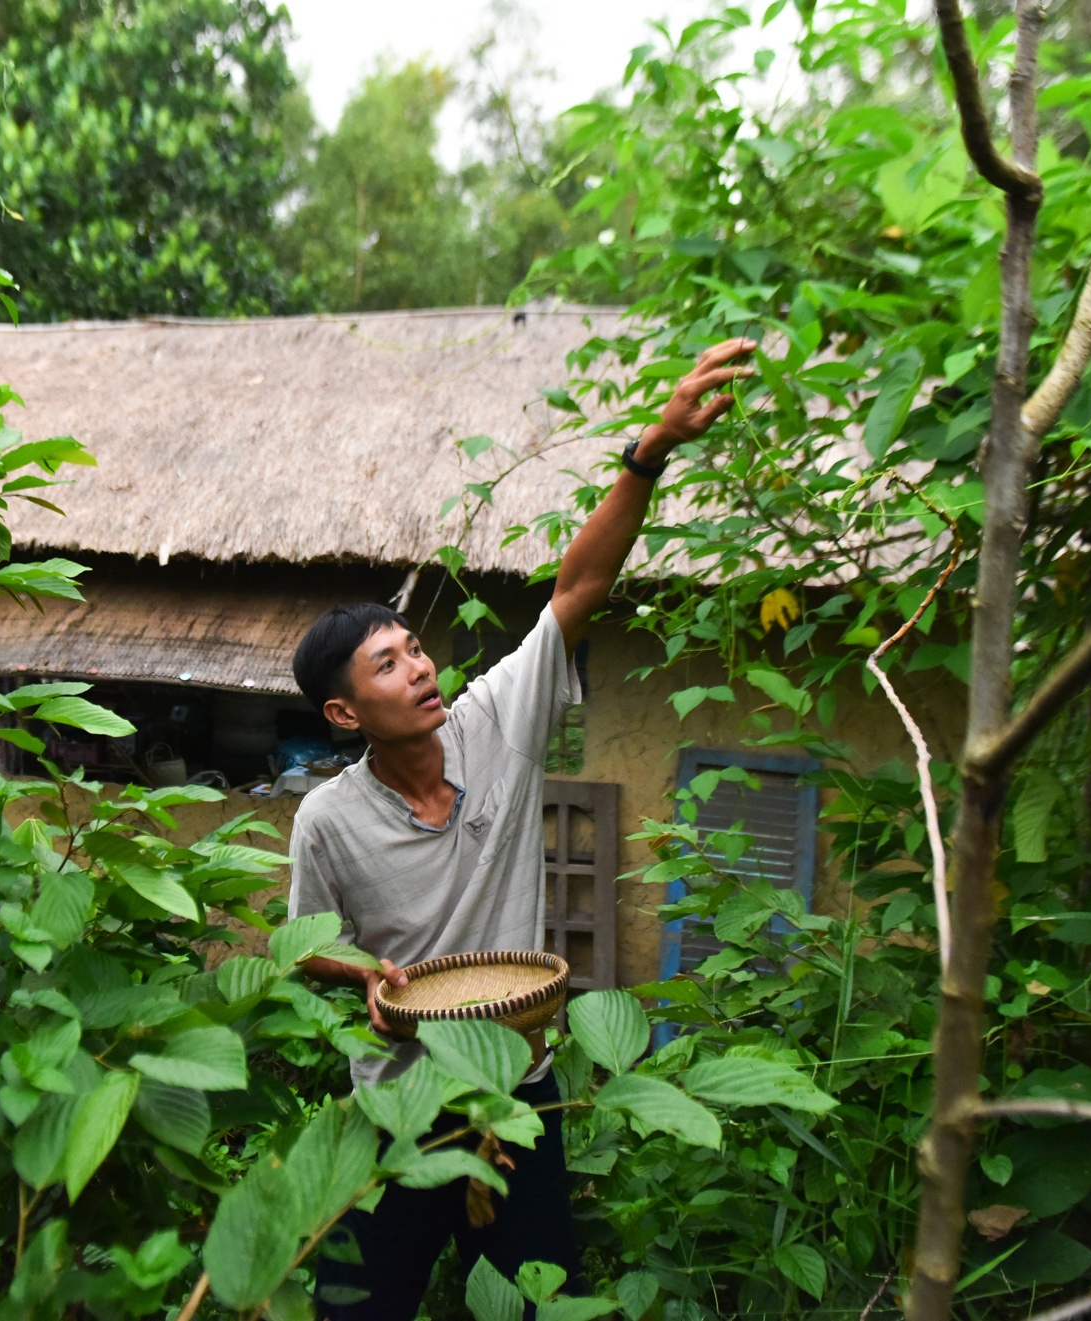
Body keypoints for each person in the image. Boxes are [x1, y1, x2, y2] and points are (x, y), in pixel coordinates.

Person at [286, 339, 757, 1321]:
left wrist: (651, 449)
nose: (419, 668)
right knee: (357, 1311)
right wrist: (362, 975)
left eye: (415, 649)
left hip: (520, 1088)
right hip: (398, 1107)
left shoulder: (495, 722)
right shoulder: (327, 820)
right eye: (386, 665)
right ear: (343, 712)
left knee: (541, 1307)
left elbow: (575, 592)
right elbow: (303, 946)